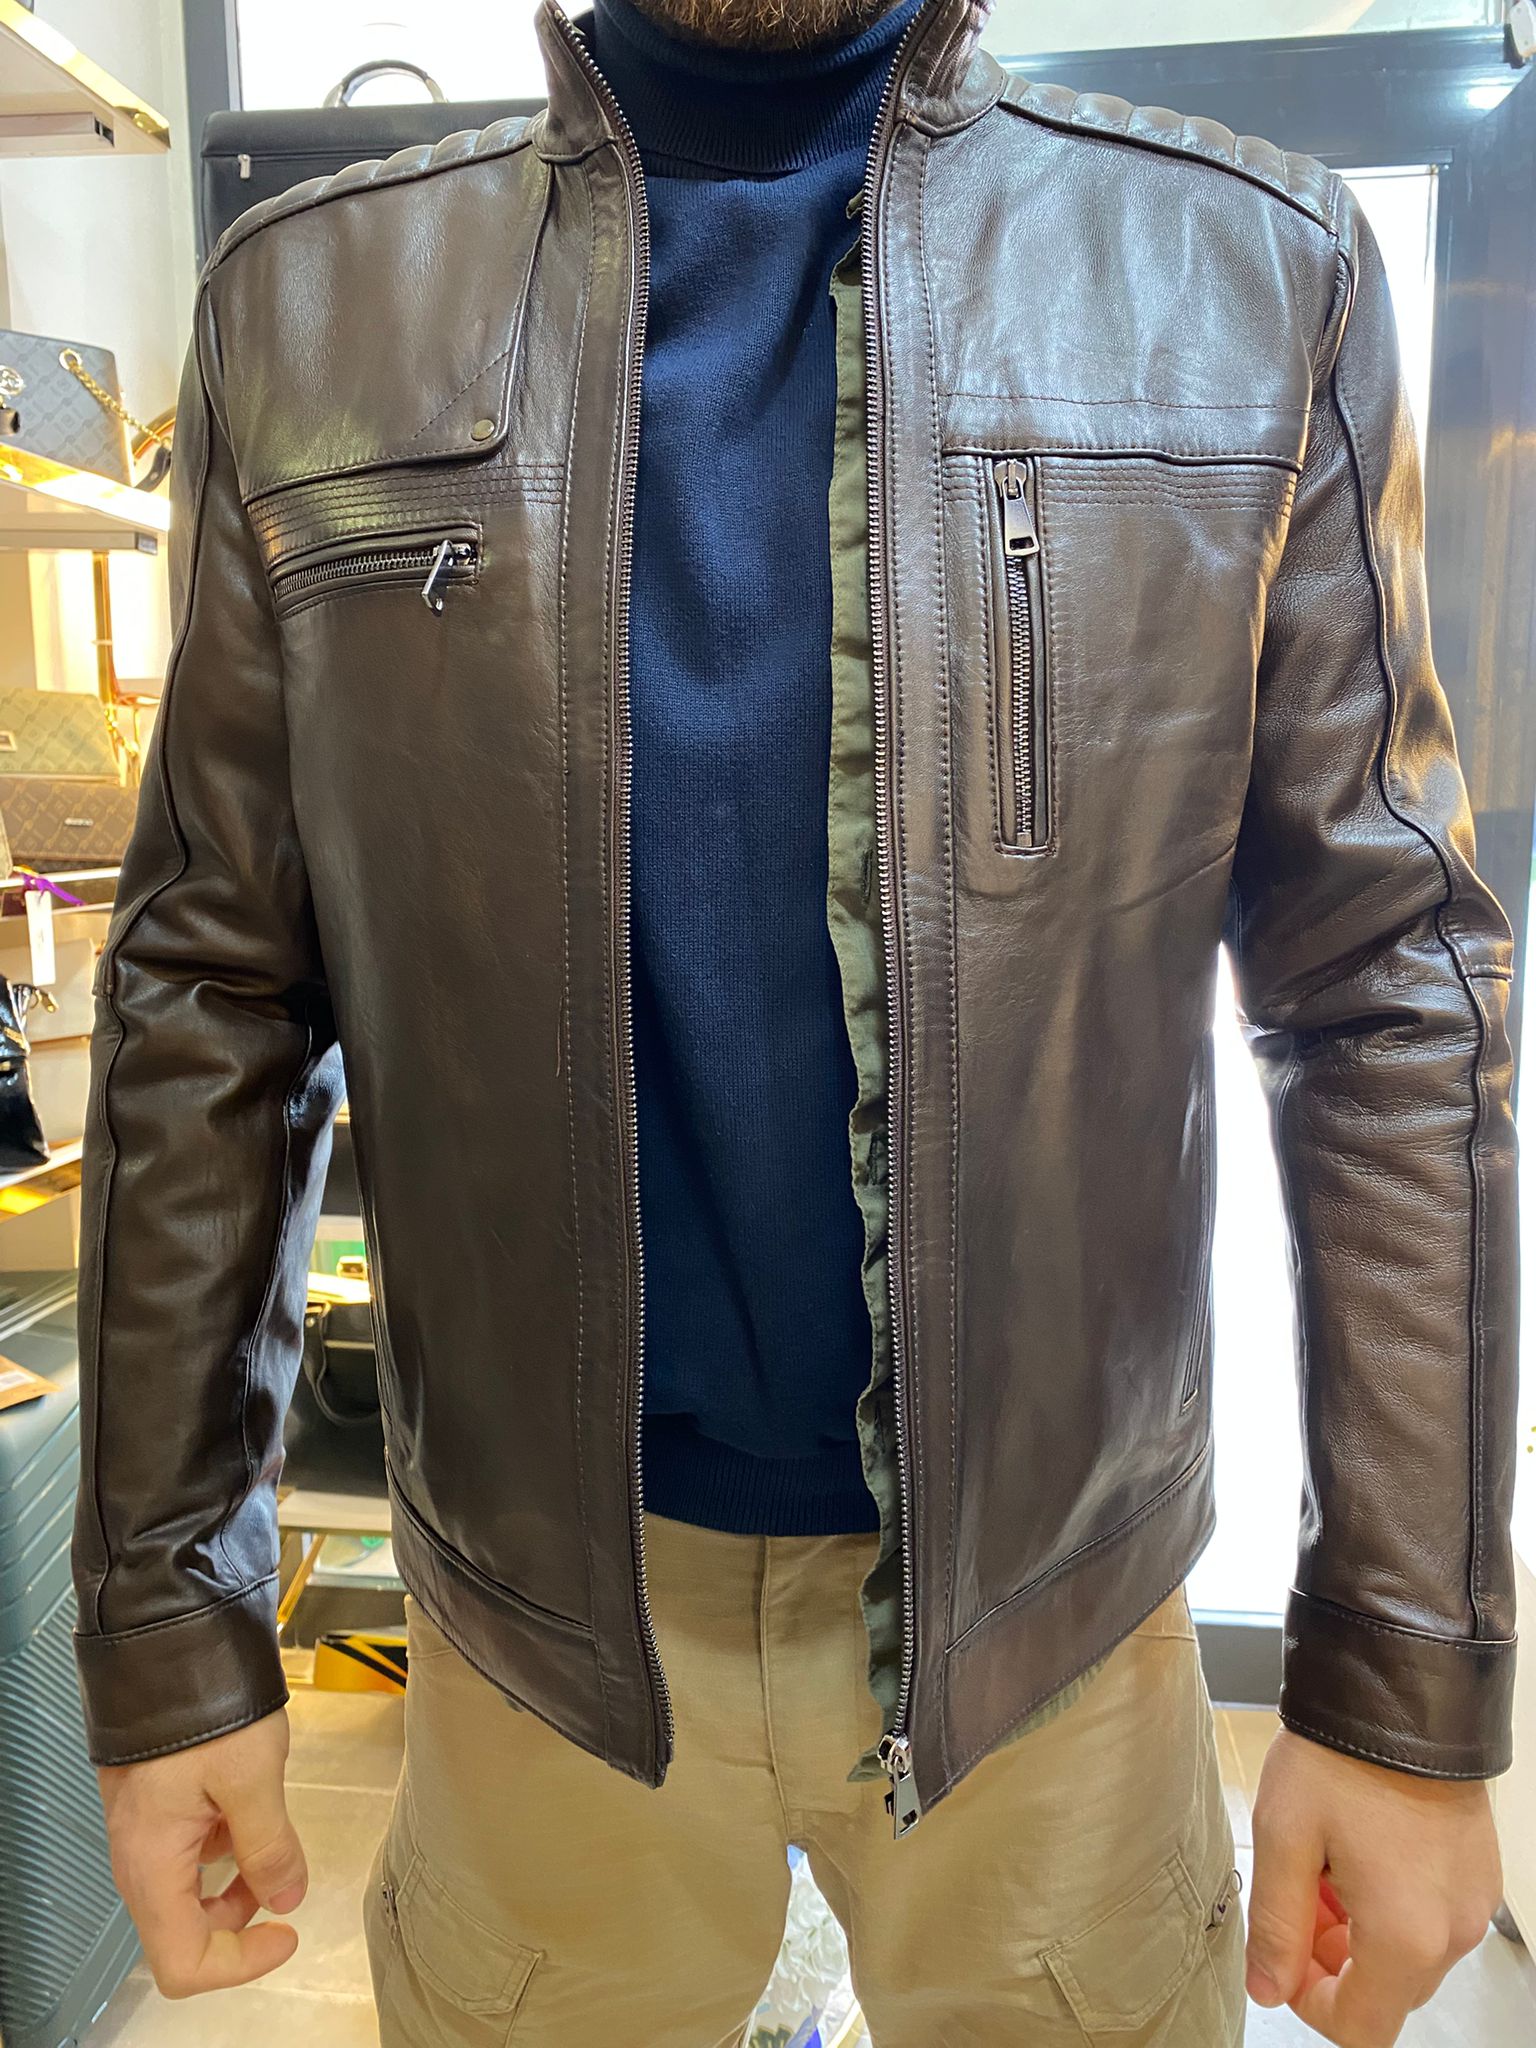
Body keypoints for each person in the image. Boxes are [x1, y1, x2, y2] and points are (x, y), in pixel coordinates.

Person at [75, 0, 1518, 2041]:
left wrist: (1402, 1673)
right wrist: (167, 1623)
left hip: (1052, 1629)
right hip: (536, 1637)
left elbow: (1386, 989)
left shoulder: (1249, 276)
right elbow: (209, 988)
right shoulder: (311, 311)